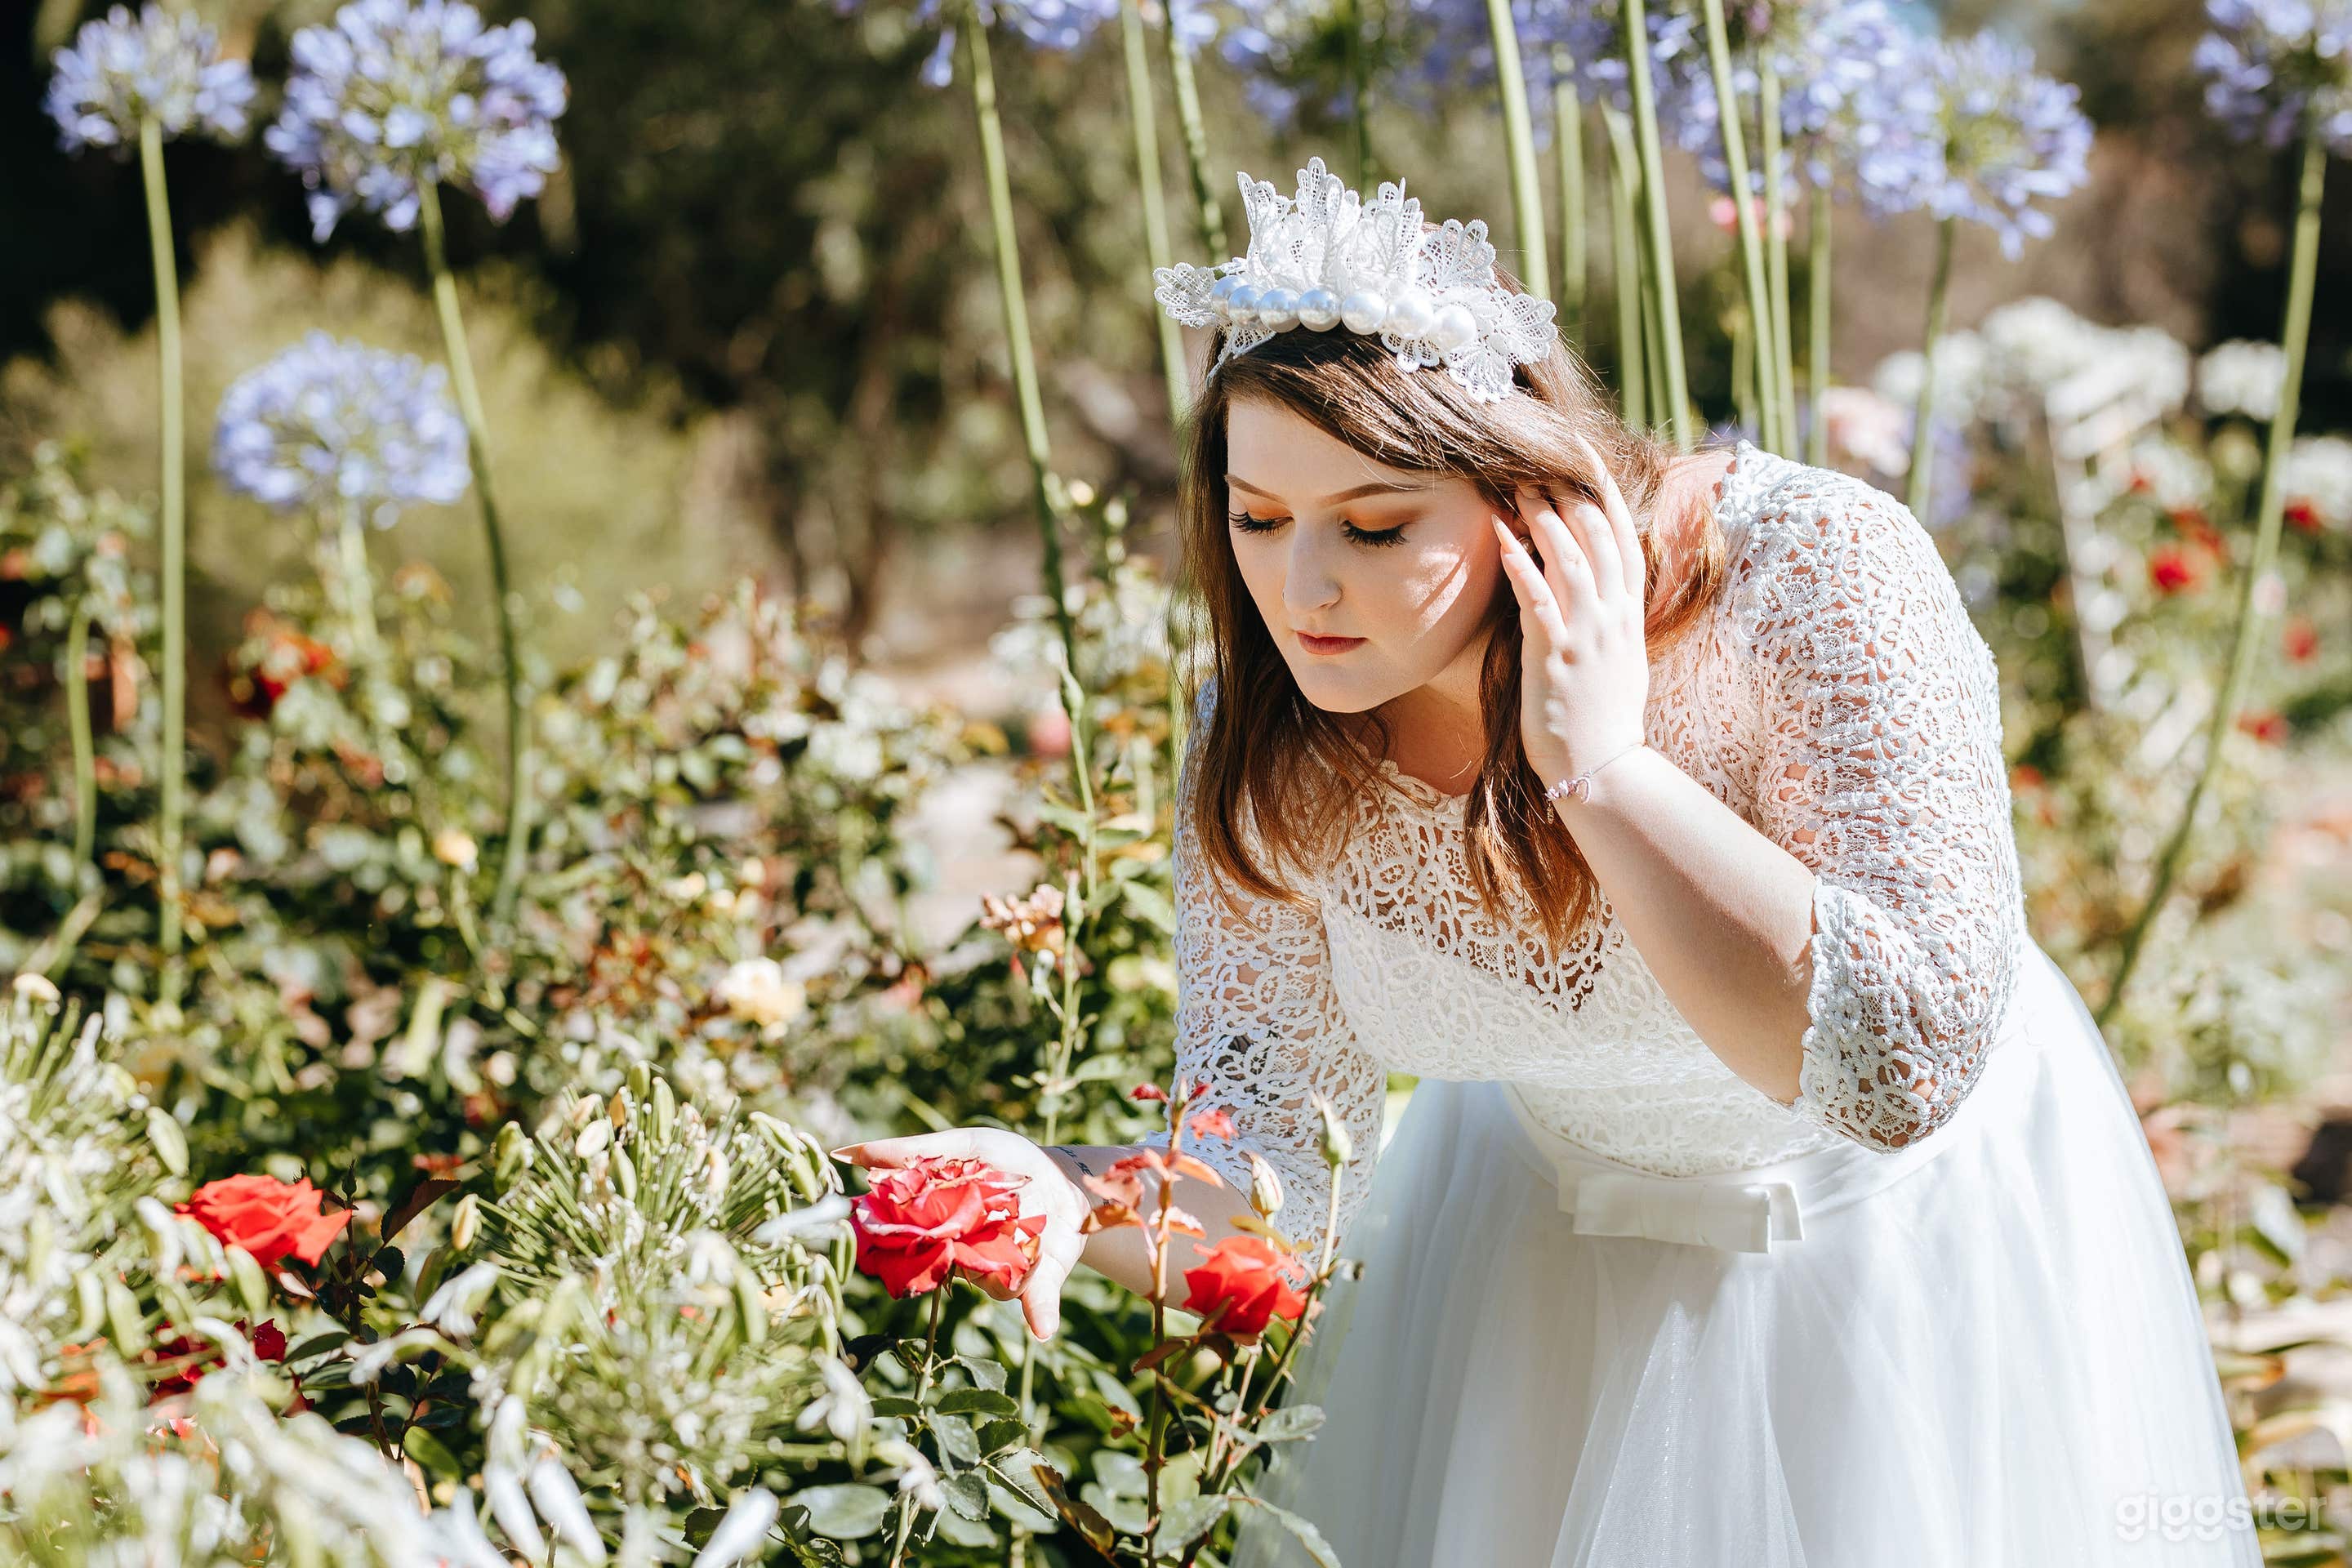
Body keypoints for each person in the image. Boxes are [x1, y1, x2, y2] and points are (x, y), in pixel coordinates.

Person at [832, 157, 2260, 1566]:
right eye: (1258, 520)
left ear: (1531, 496)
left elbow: (1901, 1067)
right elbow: (1278, 1187)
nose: (1301, 590)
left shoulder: (1809, 571)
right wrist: (1057, 1189)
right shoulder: (1269, 734)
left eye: (1378, 526)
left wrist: (1604, 771)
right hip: (1544, 1287)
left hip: (1899, 1270)